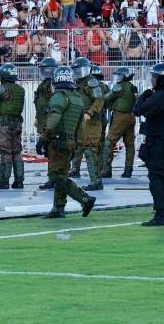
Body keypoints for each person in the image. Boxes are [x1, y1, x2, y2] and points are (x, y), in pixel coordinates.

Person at [36, 66, 97, 218]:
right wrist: (77, 143)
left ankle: (84, 199)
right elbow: (80, 126)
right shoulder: (76, 98)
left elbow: (54, 119)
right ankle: (58, 208)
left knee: (56, 176)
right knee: (61, 175)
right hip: (70, 142)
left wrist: (43, 138)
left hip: (57, 141)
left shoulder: (59, 96)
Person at [133, 63, 164, 226]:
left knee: (156, 178)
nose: (152, 80)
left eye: (155, 77)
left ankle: (160, 215)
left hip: (157, 141)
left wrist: (144, 95)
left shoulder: (161, 95)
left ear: (161, 79)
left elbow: (138, 110)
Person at [0, 63, 25, 189]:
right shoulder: (21, 90)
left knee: (6, 152)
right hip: (17, 123)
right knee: (17, 152)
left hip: (4, 124)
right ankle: (19, 181)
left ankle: (4, 181)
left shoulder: (2, 89)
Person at [70, 57, 105, 190]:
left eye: (80, 70)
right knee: (81, 149)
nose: (78, 73)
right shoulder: (78, 83)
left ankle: (96, 181)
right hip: (80, 124)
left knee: (90, 151)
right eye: (76, 71)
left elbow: (99, 100)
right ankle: (93, 179)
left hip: (91, 123)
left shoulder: (91, 82)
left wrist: (89, 113)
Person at [101, 67, 137, 178]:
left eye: (119, 75)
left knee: (108, 143)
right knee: (130, 144)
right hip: (131, 116)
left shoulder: (119, 87)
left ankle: (106, 170)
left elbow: (106, 98)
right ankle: (128, 169)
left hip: (120, 117)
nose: (117, 78)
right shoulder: (132, 87)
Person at [34, 57, 59, 190]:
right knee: (49, 152)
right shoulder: (45, 83)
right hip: (45, 122)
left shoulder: (53, 84)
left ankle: (55, 179)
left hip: (51, 123)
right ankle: (52, 179)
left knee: (54, 152)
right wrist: (38, 118)